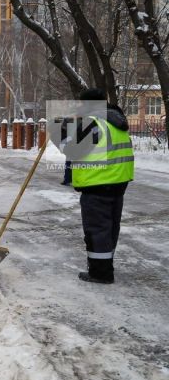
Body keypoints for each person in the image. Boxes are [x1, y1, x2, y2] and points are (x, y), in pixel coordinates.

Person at [55, 88, 134, 284]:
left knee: (97, 230)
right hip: (117, 183)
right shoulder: (116, 121)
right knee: (110, 227)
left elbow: (72, 150)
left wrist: (59, 132)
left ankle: (100, 273)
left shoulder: (94, 123)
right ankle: (105, 265)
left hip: (98, 183)